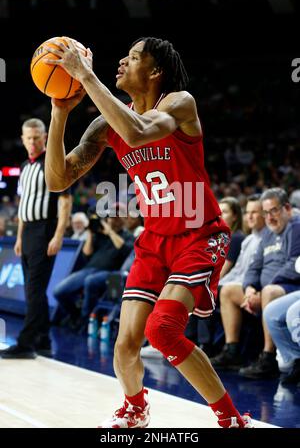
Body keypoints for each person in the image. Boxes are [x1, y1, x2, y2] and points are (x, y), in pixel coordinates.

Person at [43, 36, 253, 428]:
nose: (121, 61)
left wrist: (85, 76)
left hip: (199, 233)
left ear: (155, 72)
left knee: (163, 330)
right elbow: (58, 179)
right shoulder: (105, 124)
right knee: (124, 346)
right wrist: (59, 113)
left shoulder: (178, 103)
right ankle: (136, 408)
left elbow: (138, 132)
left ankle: (232, 419)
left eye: (133, 57)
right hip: (154, 240)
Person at [0, 118, 72, 359]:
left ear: (45, 137)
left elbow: (65, 201)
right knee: (36, 290)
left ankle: (26, 343)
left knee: (33, 290)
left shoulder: (52, 163)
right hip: (28, 231)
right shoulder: (24, 166)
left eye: (37, 137)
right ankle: (43, 340)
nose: (32, 142)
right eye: (28, 138)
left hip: (45, 231)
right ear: (22, 139)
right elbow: (24, 204)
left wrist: (59, 235)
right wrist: (19, 237)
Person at [238, 188, 300, 379]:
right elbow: (254, 267)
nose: (269, 217)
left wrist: (262, 290)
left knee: (270, 293)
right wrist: (249, 289)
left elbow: (294, 265)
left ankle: (268, 356)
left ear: (287, 208)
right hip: (265, 289)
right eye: (265, 213)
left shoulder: (295, 227)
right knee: (227, 292)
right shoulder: (266, 234)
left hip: (289, 286)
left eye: (273, 210)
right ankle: (231, 349)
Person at [209, 194, 266, 369]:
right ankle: (223, 348)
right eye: (248, 212)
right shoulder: (249, 240)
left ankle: (231, 350)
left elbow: (258, 272)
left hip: (258, 288)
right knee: (206, 288)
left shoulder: (265, 238)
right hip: (243, 284)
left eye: (255, 212)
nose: (249, 216)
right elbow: (239, 271)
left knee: (224, 291)